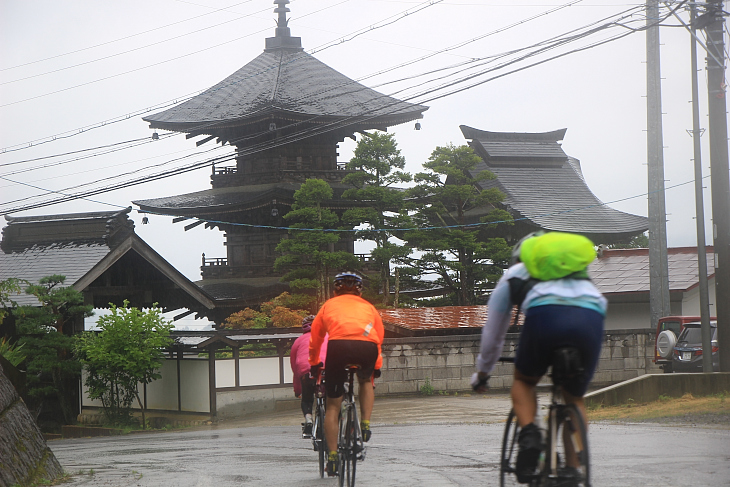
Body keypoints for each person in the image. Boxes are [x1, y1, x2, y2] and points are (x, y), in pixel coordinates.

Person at [471, 231, 606, 484]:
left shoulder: (514, 275)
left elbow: (493, 334)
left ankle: (530, 436)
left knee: (524, 381)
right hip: (591, 315)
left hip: (545, 316)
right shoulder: (578, 274)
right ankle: (572, 468)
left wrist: (482, 373)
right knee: (574, 397)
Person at [309, 272, 384, 477]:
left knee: (333, 405)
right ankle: (366, 423)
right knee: (366, 381)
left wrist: (314, 364)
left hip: (338, 346)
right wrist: (376, 365)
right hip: (367, 347)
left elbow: (316, 339)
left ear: (335, 290)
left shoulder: (327, 306)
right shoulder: (370, 308)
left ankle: (332, 458)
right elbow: (378, 337)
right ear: (359, 290)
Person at [290, 314, 328, 438]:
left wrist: (297, 390)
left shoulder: (298, 341)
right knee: (330, 397)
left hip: (306, 371)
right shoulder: (328, 336)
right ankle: (330, 419)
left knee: (307, 399)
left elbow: (295, 370)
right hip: (326, 368)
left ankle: (309, 419)